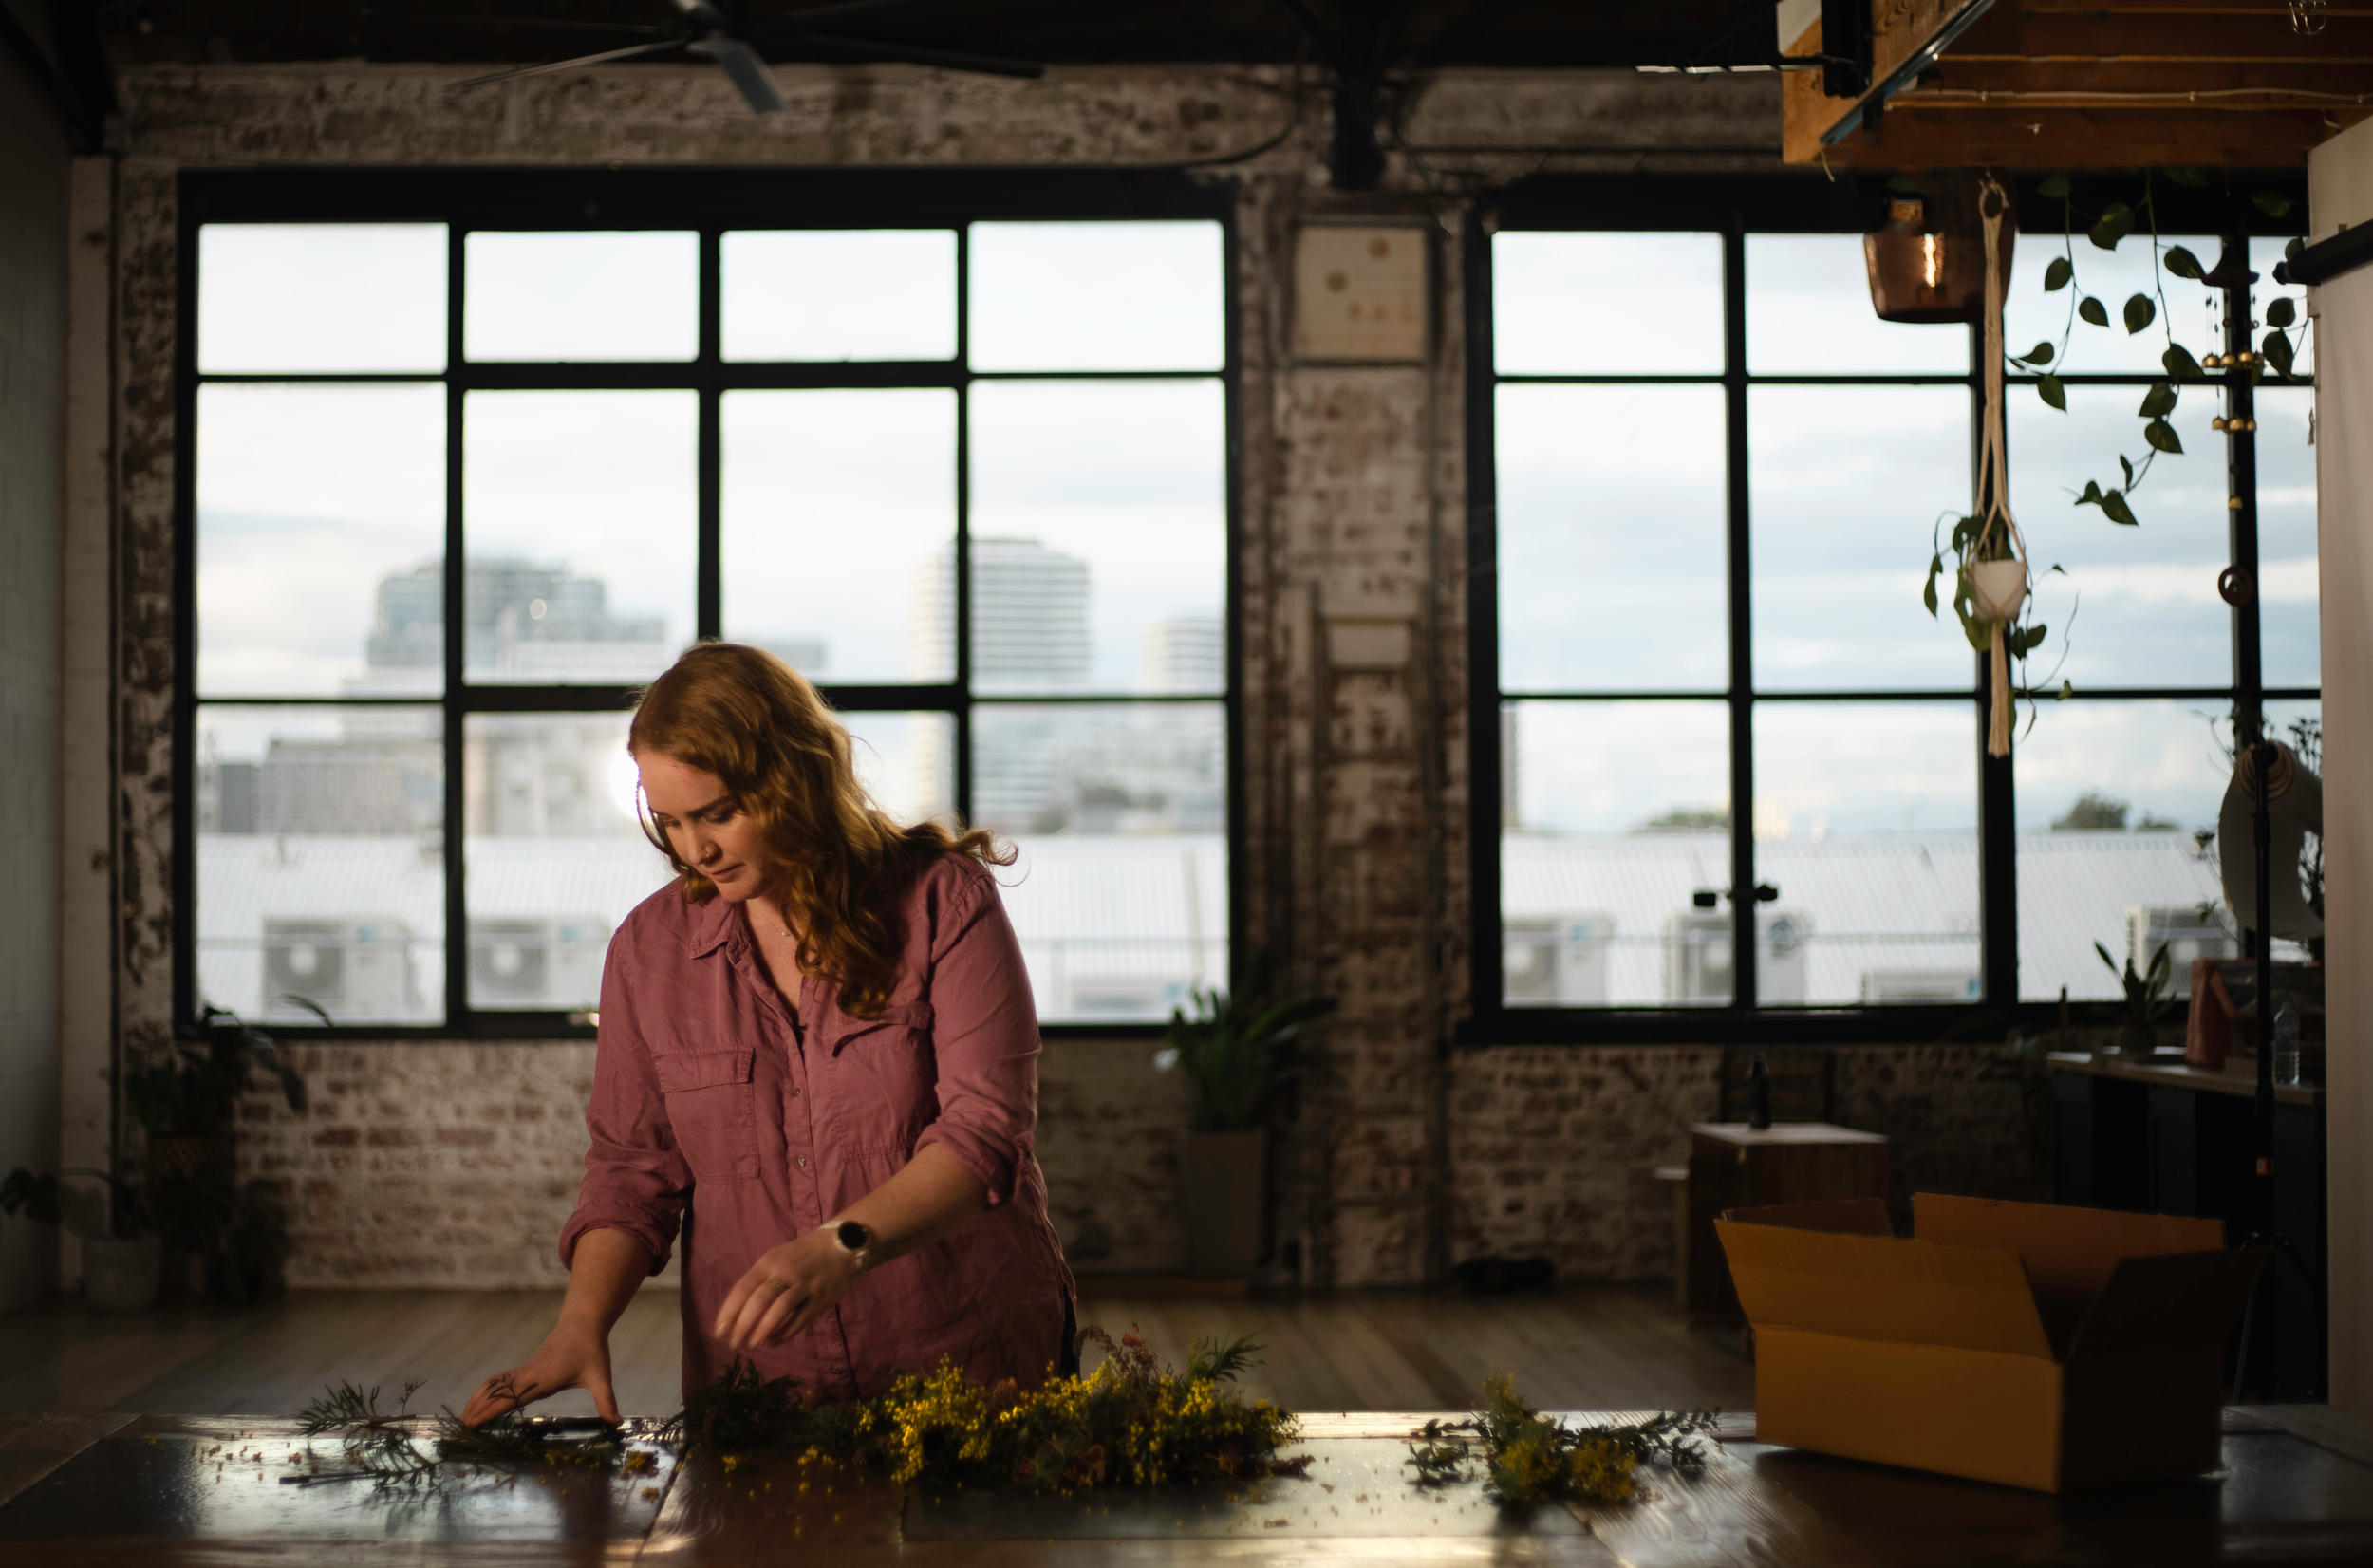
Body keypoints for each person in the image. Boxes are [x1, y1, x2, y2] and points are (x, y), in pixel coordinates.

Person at [462, 642, 1074, 1426]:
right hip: (762, 1388)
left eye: (719, 814)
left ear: (796, 781)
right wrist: (580, 1326)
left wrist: (842, 1244)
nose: (695, 849)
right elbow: (630, 1169)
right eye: (672, 821)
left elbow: (985, 1135)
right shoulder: (649, 954)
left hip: (964, 1357)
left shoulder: (942, 903)